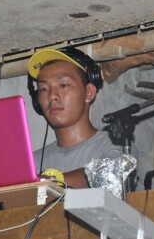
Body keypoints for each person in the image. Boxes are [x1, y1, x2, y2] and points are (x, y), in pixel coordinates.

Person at [27, 46, 124, 188]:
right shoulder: (31, 163)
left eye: (63, 85)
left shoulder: (116, 145)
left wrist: (51, 181)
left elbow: (107, 175)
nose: (52, 96)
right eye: (44, 89)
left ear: (89, 92)